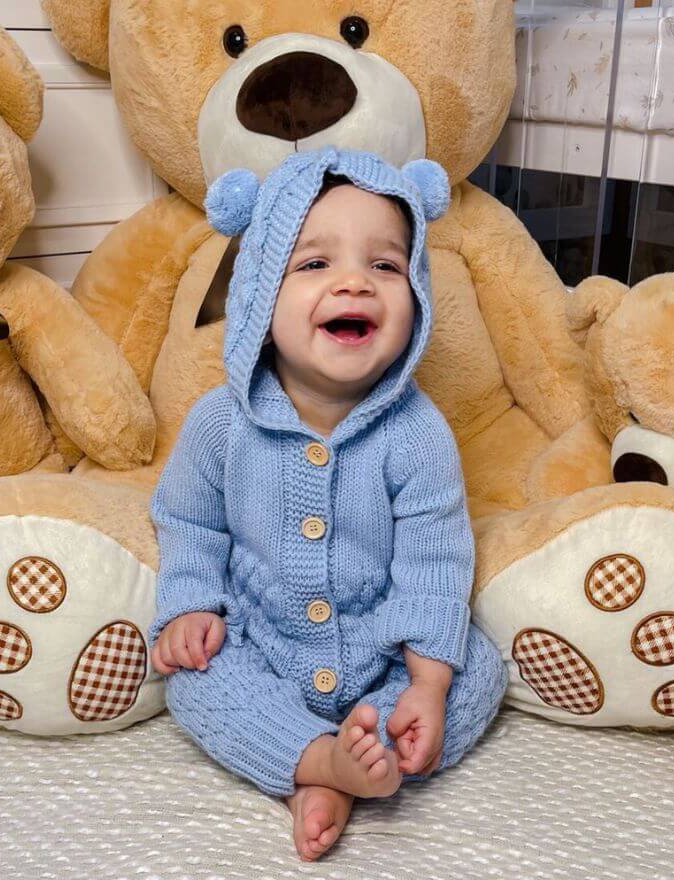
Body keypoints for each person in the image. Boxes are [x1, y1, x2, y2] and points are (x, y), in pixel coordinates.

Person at [147, 147, 507, 862]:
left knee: (479, 669)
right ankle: (323, 764)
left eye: (386, 266)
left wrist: (427, 685)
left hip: (384, 651)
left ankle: (365, 756)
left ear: (417, 296)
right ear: (259, 297)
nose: (354, 282)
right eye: (314, 263)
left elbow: (435, 561)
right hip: (264, 643)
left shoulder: (418, 434)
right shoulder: (221, 424)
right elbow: (188, 523)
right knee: (189, 682)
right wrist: (190, 607)